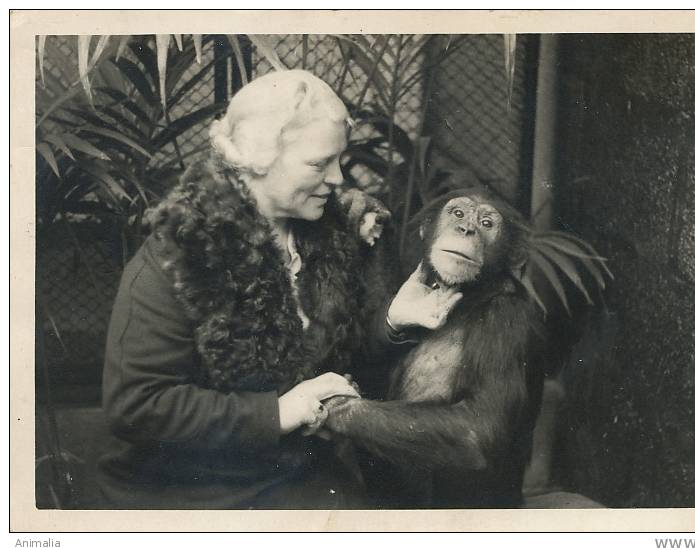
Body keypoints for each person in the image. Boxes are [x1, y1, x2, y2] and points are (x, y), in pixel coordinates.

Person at [97, 70, 462, 509]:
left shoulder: (326, 238)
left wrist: (391, 322)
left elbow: (334, 366)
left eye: (339, 160)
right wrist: (278, 412)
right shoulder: (182, 254)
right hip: (188, 488)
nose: (337, 178)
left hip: (295, 470)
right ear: (260, 158)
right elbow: (138, 405)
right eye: (318, 163)